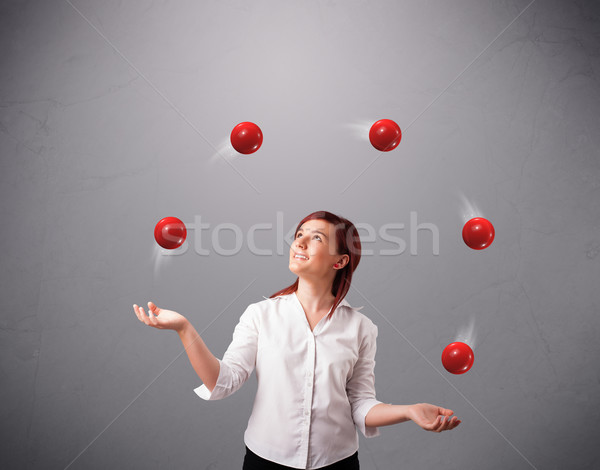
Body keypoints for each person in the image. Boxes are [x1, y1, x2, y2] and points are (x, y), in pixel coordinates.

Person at [133, 211, 460, 469]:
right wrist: (184, 329)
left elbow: (360, 406)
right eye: (298, 235)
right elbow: (223, 382)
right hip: (265, 462)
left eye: (315, 238)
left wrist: (409, 411)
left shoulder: (362, 328)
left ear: (340, 260)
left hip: (338, 464)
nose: (300, 243)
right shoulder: (260, 314)